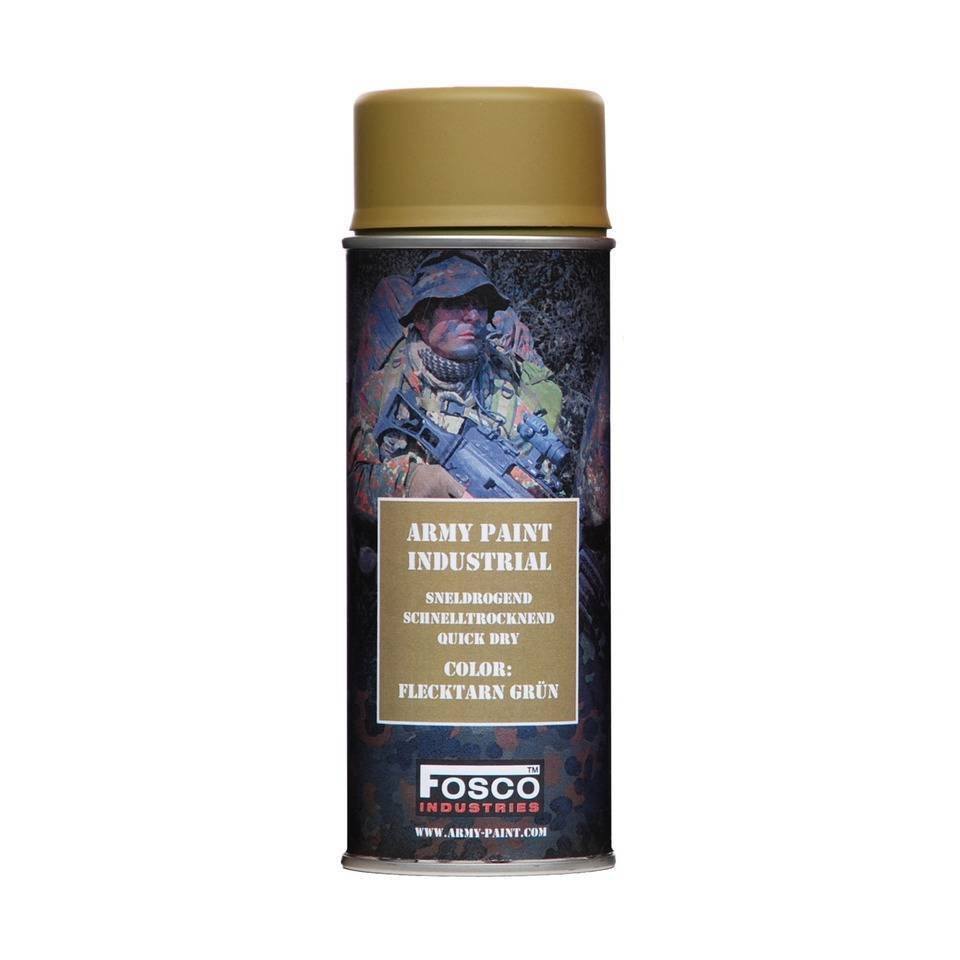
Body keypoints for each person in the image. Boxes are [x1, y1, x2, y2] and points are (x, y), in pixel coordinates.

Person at [348, 253, 563, 520]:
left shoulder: (510, 390)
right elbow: (350, 480)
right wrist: (409, 482)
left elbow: (534, 493)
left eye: (480, 305)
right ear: (421, 318)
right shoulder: (384, 388)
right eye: (455, 303)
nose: (472, 315)